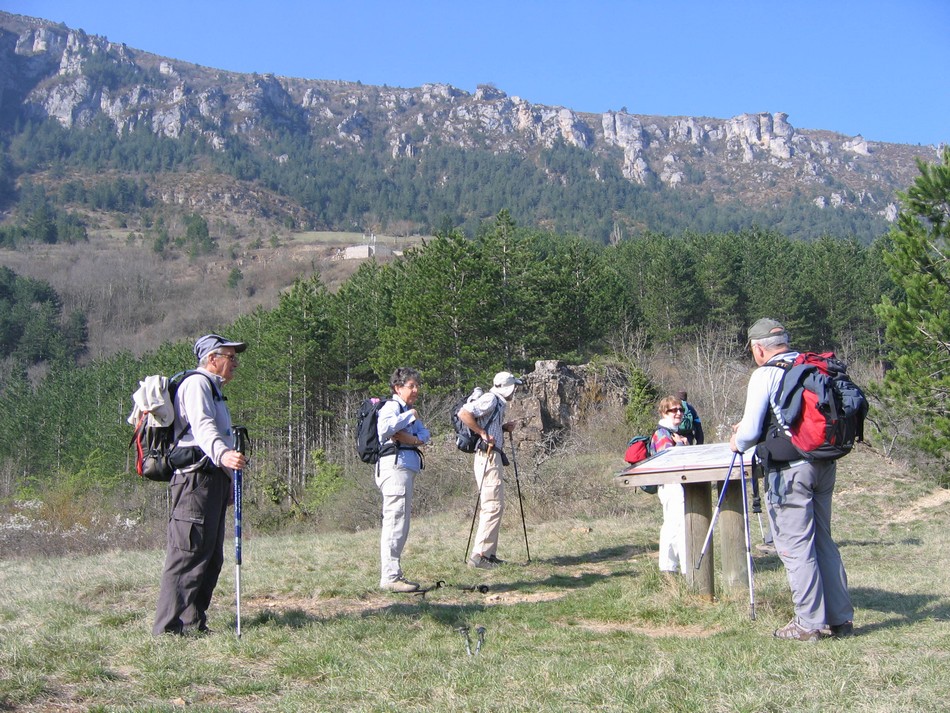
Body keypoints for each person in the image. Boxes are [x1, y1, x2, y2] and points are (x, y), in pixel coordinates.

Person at [729, 318, 854, 642]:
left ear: (758, 348)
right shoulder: (807, 364)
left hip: (790, 471)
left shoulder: (765, 374)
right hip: (823, 462)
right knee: (823, 540)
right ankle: (840, 619)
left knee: (796, 546)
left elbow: (749, 433)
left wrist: (737, 441)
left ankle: (807, 623)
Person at [153, 333, 248, 636]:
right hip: (195, 480)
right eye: (231, 357)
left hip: (211, 479)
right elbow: (204, 426)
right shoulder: (197, 384)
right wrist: (223, 455)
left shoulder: (214, 389)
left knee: (210, 556)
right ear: (211, 359)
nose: (236, 363)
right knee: (187, 553)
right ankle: (167, 630)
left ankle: (192, 623)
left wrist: (227, 479)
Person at [458, 371, 523, 569]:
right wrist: (482, 433)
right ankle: (480, 556)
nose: (515, 391)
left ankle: (489, 554)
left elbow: (485, 423)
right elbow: (464, 413)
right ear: (508, 388)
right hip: (487, 455)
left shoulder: (497, 402)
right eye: (514, 387)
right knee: (492, 505)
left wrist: (502, 428)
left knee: (495, 504)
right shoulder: (491, 399)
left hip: (491, 455)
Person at [374, 367, 431, 592]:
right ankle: (390, 578)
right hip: (395, 468)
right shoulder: (392, 407)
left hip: (403, 468)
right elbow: (385, 429)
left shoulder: (406, 410)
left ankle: (393, 575)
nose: (416, 390)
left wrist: (410, 438)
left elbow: (425, 435)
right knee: (395, 521)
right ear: (398, 388)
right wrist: (409, 417)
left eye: (417, 386)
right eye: (411, 386)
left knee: (401, 522)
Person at [652, 395, 693, 575]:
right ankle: (679, 568)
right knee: (676, 526)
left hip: (676, 485)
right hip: (670, 485)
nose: (678, 413)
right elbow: (666, 462)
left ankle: (671, 568)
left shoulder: (674, 433)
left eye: (680, 410)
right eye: (673, 410)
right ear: (664, 413)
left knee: (675, 524)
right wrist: (681, 446)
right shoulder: (662, 434)